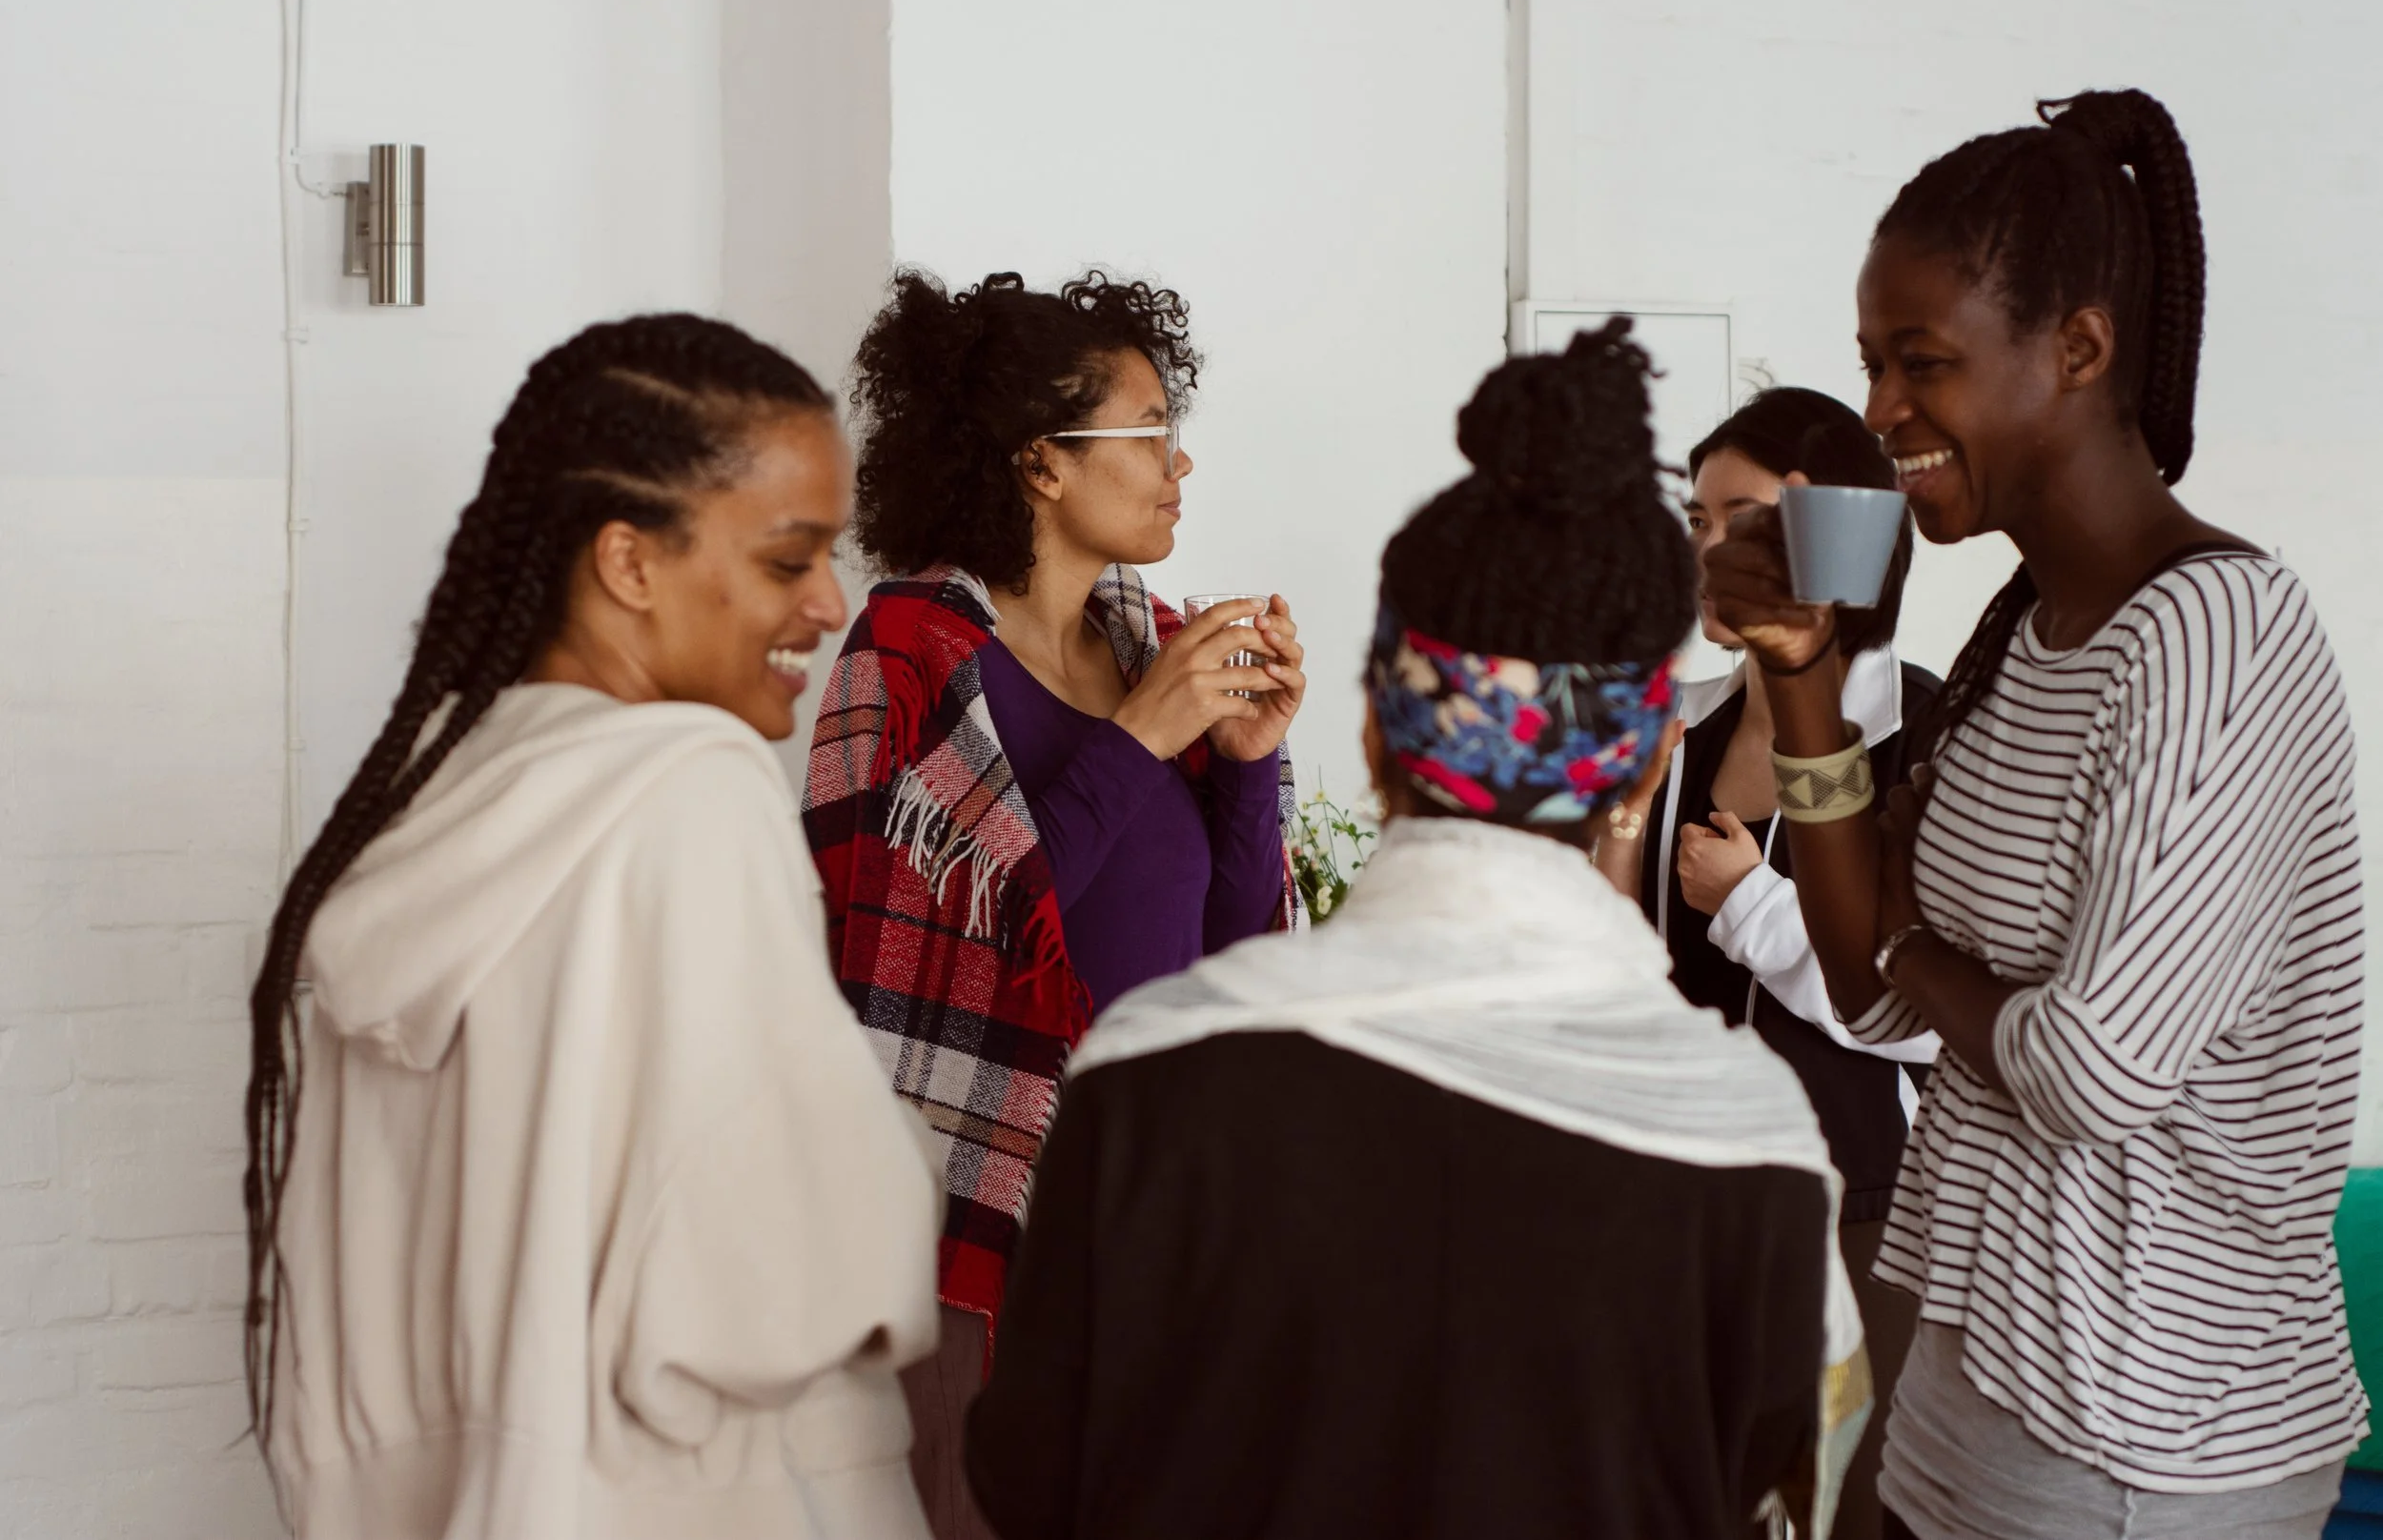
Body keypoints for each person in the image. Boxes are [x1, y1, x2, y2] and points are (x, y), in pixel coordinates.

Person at [966, 321, 1870, 1540]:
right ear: (1647, 759)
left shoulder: (1149, 1075)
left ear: (1382, 734)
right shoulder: (1747, 1141)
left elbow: (1031, 1474)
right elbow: (1794, 1504)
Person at [1705, 90, 2367, 1540]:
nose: (1880, 411)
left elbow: (2092, 1069)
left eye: (1921, 362)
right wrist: (1805, 677)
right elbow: (1869, 980)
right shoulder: (2024, 634)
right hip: (1973, 1376)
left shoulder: (2215, 634)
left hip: (2148, 1431)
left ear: (2077, 347)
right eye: (1873, 362)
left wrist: (1909, 958)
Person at [241, 315, 944, 1540]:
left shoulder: (429, 800)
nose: (830, 604)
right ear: (628, 562)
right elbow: (796, 1274)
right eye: (790, 560)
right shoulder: (687, 788)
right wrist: (906, 1153)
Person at [804, 270, 1304, 1537]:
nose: (1177, 464)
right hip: (984, 1213)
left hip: (1166, 1214)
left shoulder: (1158, 645)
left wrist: (1248, 761)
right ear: (1041, 462)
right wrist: (1139, 740)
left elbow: (1239, 955)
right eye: (1146, 431)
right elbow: (919, 949)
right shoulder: (911, 650)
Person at [1598, 386, 1940, 1540]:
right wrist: (1614, 836)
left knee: (1839, 1509)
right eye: (1697, 517)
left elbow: (1925, 1010)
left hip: (1858, 1206)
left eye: (1739, 515)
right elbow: (1619, 975)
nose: (1709, 547)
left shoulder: (1924, 730)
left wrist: (1751, 905)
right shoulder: (1671, 728)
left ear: (1833, 525)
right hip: (1674, 1197)